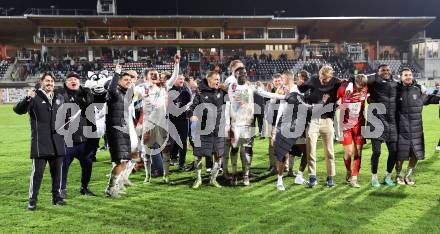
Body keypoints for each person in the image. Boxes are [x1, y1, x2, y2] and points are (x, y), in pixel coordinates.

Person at [14, 72, 66, 210]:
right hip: (40, 143)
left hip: (57, 142)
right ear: (41, 82)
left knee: (57, 174)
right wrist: (27, 98)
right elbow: (18, 110)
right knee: (37, 175)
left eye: (52, 81)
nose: (50, 83)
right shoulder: (34, 96)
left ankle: (56, 197)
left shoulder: (59, 97)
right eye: (47, 81)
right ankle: (32, 200)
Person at [225, 67, 284, 186]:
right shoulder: (231, 87)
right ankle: (235, 174)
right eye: (242, 74)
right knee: (235, 149)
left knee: (247, 149)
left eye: (246, 73)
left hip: (248, 123)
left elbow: (264, 93)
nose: (245, 75)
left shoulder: (250, 87)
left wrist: (283, 97)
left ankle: (246, 175)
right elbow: (228, 104)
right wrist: (227, 122)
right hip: (235, 123)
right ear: (236, 75)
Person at [351, 64, 398, 188]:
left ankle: (388, 176)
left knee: (394, 151)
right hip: (375, 121)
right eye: (383, 70)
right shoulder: (372, 79)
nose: (386, 72)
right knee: (376, 152)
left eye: (388, 70)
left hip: (391, 122)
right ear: (378, 72)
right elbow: (358, 79)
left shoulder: (395, 82)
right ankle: (374, 177)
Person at [298, 65, 342, 188]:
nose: (322, 81)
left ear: (331, 76)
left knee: (329, 151)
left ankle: (330, 177)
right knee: (310, 149)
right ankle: (312, 177)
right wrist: (300, 85)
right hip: (313, 119)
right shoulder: (314, 79)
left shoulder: (337, 82)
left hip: (327, 119)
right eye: (321, 77)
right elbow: (302, 89)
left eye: (325, 79)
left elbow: (347, 88)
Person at [394, 68, 440, 185]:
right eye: (405, 75)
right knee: (400, 154)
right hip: (401, 128)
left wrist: (438, 97)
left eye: (410, 75)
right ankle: (398, 175)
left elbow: (429, 99)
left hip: (416, 128)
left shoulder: (418, 89)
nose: (408, 77)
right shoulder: (396, 90)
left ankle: (408, 175)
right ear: (401, 77)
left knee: (415, 153)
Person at [58, 72, 96, 197]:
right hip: (67, 139)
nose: (73, 81)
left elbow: (91, 110)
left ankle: (84, 188)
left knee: (88, 164)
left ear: (79, 82)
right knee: (63, 166)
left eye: (75, 79)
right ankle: (61, 190)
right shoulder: (61, 94)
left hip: (84, 139)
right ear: (66, 83)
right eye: (70, 79)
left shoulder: (86, 93)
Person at [189, 71, 226, 189]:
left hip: (218, 129)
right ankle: (198, 179)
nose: (218, 81)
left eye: (219, 79)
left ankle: (213, 179)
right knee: (198, 155)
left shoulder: (222, 91)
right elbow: (192, 107)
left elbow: (235, 95)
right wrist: (191, 115)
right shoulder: (200, 92)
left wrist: (225, 87)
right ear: (208, 79)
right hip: (203, 129)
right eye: (216, 79)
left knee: (218, 155)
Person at [104, 65, 133, 198]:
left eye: (130, 80)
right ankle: (111, 189)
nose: (128, 81)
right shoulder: (114, 92)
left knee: (125, 160)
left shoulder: (125, 95)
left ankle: (113, 186)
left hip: (124, 129)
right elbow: (110, 88)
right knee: (120, 160)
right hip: (115, 130)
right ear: (119, 81)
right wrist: (116, 73)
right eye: (125, 79)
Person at [336, 74, 369, 188]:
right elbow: (334, 101)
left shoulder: (366, 87)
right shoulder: (344, 88)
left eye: (363, 88)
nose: (361, 90)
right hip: (346, 125)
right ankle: (348, 171)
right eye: (359, 87)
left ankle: (354, 177)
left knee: (358, 152)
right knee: (349, 152)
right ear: (355, 83)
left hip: (359, 125)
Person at [222, 59, 245, 179]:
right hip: (230, 118)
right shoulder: (231, 81)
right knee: (228, 146)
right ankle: (225, 172)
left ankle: (234, 171)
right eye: (239, 68)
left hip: (238, 118)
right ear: (233, 69)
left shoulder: (239, 81)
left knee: (237, 146)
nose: (242, 71)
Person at [168, 73, 192, 171]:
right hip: (172, 120)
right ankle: (169, 161)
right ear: (174, 80)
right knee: (171, 142)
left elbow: (189, 105)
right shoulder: (169, 91)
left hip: (183, 120)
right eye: (179, 79)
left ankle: (181, 164)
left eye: (182, 79)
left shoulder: (186, 91)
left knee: (183, 142)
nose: (182, 80)